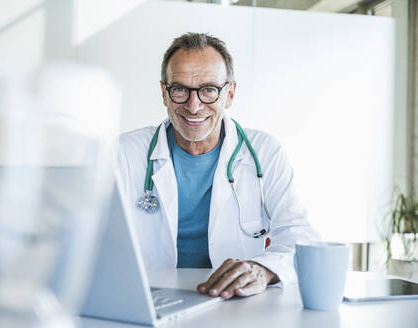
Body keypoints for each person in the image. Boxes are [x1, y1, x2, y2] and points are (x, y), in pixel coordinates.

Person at [117, 32, 319, 300]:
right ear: (164, 93)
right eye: (180, 90)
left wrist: (264, 269)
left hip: (235, 302)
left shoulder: (264, 151)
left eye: (209, 90)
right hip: (146, 298)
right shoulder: (124, 154)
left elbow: (300, 237)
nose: (194, 105)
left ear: (230, 94)